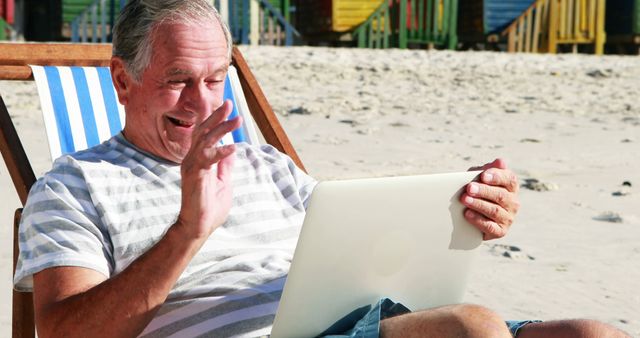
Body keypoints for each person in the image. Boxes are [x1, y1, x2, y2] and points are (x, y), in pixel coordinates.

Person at [12, 1, 630, 337]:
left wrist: (463, 213)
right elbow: (67, 337)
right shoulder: (73, 187)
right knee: (471, 330)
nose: (201, 104)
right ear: (123, 81)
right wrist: (189, 231)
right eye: (177, 81)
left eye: (214, 80)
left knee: (592, 336)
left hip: (360, 323)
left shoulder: (264, 163)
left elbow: (359, 249)